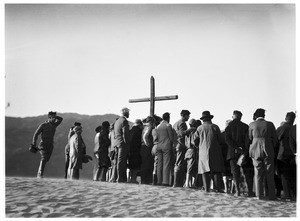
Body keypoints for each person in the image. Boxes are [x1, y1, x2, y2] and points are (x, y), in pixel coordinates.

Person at [248, 108, 277, 200]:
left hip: (255, 150)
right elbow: (275, 139)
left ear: (255, 115)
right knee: (270, 173)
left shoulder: (252, 124)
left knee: (258, 173)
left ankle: (259, 195)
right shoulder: (270, 124)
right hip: (268, 149)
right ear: (264, 115)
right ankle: (272, 195)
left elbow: (249, 138)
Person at [194, 111, 224, 192]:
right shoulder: (215, 127)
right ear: (210, 118)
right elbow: (221, 140)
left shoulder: (199, 128)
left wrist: (200, 146)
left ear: (203, 119)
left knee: (205, 171)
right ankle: (218, 189)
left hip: (203, 152)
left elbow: (195, 141)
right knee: (216, 170)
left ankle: (207, 189)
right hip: (215, 151)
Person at [225, 110, 253, 197]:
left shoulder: (229, 127)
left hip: (233, 153)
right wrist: (243, 150)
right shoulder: (245, 126)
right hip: (243, 153)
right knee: (247, 172)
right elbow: (248, 140)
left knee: (235, 173)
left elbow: (227, 140)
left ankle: (238, 191)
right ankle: (250, 192)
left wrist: (235, 147)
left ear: (233, 116)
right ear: (241, 116)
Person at [31, 111, 63, 178]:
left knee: (46, 159)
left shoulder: (54, 125)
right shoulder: (43, 125)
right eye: (52, 118)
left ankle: (39, 174)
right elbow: (36, 134)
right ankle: (40, 174)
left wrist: (55, 116)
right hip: (43, 145)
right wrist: (34, 143)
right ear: (49, 117)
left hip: (50, 145)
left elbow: (61, 119)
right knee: (44, 158)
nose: (54, 119)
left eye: (55, 118)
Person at [276, 112, 296, 200]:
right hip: (294, 155)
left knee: (284, 176)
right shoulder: (295, 128)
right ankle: (295, 194)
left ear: (285, 118)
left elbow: (275, 142)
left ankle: (287, 195)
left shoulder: (281, 128)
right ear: (294, 119)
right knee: (294, 175)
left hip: (282, 155)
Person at [172, 110, 191, 187]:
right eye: (188, 116)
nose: (188, 117)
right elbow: (181, 133)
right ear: (185, 115)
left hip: (176, 145)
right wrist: (189, 130)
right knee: (179, 163)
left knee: (178, 163)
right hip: (181, 145)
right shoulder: (182, 123)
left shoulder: (175, 123)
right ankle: (176, 183)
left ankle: (177, 182)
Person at [156, 112, 174, 186]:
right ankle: (165, 181)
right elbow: (171, 137)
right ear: (168, 118)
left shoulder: (158, 126)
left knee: (159, 164)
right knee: (166, 164)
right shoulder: (168, 125)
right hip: (166, 146)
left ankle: (158, 180)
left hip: (159, 145)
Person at [114, 108, 130, 183]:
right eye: (128, 112)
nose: (129, 114)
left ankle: (119, 177)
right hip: (122, 143)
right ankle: (120, 178)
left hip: (117, 143)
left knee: (118, 160)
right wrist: (127, 144)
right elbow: (125, 134)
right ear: (125, 113)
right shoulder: (124, 121)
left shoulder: (117, 121)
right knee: (122, 161)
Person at [183, 118, 198, 188]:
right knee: (193, 168)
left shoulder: (187, 132)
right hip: (193, 150)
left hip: (188, 151)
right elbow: (194, 142)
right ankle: (189, 184)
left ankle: (188, 183)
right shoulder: (195, 131)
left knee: (189, 168)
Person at [140, 116, 155, 184]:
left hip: (142, 147)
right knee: (148, 164)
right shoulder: (149, 127)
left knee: (144, 164)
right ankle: (147, 180)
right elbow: (145, 136)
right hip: (146, 147)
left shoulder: (144, 127)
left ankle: (143, 180)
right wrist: (148, 144)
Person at [128, 119, 143, 184]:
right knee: (136, 166)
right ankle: (133, 179)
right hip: (136, 150)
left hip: (130, 150)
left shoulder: (130, 131)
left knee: (131, 165)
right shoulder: (139, 131)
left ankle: (131, 178)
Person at [221, 120, 233, 193]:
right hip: (231, 155)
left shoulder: (222, 133)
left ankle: (226, 188)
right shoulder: (233, 133)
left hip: (223, 155)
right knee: (232, 173)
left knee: (224, 173)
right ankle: (232, 189)